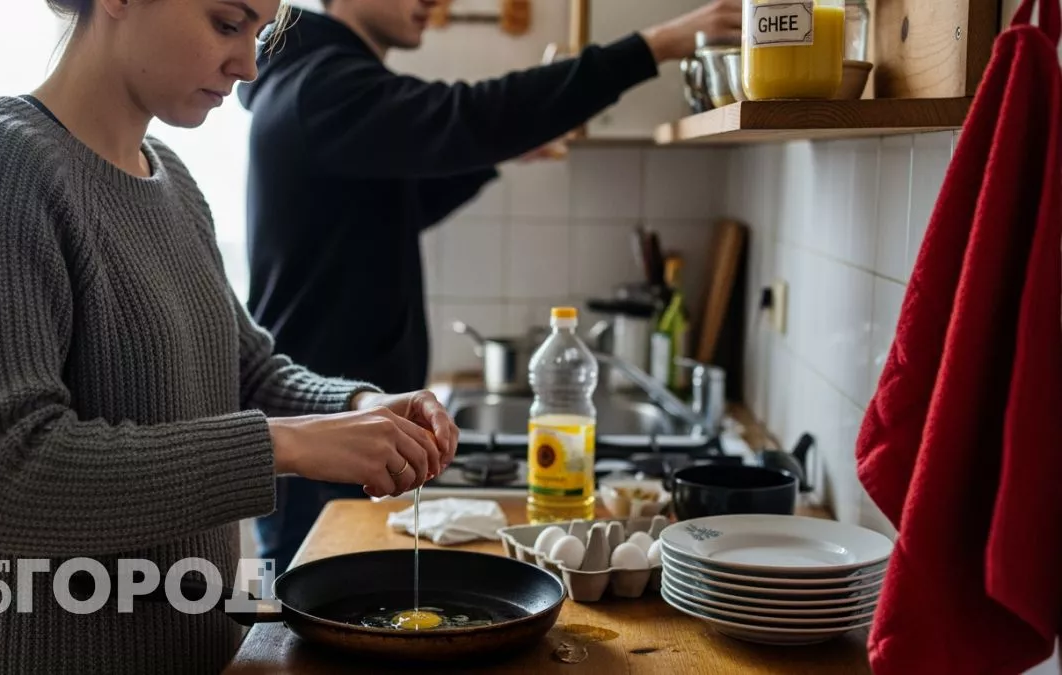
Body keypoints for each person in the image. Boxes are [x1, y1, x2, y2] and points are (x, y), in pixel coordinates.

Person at [0, 1, 457, 673]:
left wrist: (358, 406)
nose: (249, 65)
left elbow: (251, 370)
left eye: (261, 34)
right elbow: (5, 476)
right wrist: (287, 445)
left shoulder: (171, 179)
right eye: (227, 23)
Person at [238, 0, 743, 572]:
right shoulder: (322, 87)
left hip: (349, 420)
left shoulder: (323, 84)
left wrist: (495, 152)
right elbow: (469, 117)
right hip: (322, 432)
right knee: (306, 640)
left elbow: (398, 205)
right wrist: (654, 46)